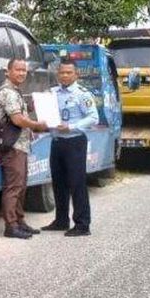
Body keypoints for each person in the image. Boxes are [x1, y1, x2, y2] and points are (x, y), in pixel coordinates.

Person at [42, 58, 99, 237]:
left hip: (74, 142)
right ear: (57, 74)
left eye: (69, 72)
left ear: (76, 74)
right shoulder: (52, 93)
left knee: (76, 183)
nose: (65, 75)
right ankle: (61, 220)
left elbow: (93, 118)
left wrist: (71, 127)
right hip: (57, 142)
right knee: (59, 183)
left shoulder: (82, 94)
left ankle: (82, 224)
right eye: (62, 72)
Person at [0, 58, 48, 240]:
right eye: (17, 70)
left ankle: (19, 222)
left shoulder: (15, 91)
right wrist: (36, 125)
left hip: (21, 146)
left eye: (24, 70)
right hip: (13, 146)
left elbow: (20, 113)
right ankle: (10, 226)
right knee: (14, 187)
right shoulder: (8, 92)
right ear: (8, 71)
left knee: (21, 186)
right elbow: (17, 120)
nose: (21, 73)